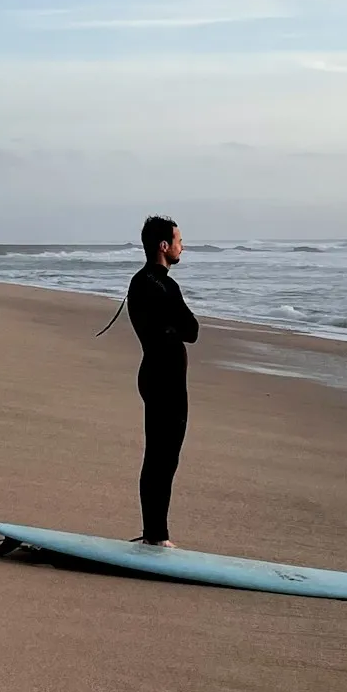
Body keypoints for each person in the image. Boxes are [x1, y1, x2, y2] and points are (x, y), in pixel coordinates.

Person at [126, 215, 198, 546]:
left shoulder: (143, 282)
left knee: (161, 457)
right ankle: (156, 535)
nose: (183, 246)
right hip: (163, 378)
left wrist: (172, 325)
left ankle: (154, 532)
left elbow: (187, 329)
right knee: (162, 458)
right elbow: (191, 329)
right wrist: (173, 325)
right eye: (179, 240)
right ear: (164, 246)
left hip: (157, 374)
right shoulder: (159, 284)